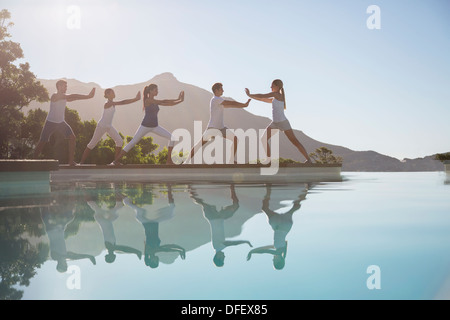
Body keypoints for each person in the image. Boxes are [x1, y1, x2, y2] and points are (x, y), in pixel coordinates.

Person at [111, 84, 184, 165]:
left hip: (155, 126)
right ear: (150, 91)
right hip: (145, 126)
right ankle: (115, 161)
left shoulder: (155, 101)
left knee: (172, 138)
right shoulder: (148, 100)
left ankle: (169, 161)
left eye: (157, 90)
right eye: (155, 90)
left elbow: (168, 104)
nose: (157, 91)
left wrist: (179, 100)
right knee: (132, 143)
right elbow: (163, 101)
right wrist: (178, 99)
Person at [245, 79, 312, 163]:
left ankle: (308, 159)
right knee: (263, 139)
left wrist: (249, 94)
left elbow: (262, 95)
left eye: (272, 85)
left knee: (294, 141)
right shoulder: (275, 98)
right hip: (275, 123)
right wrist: (250, 96)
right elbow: (262, 99)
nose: (270, 87)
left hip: (283, 122)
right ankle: (268, 160)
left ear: (277, 87)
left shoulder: (276, 95)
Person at [33, 80, 95, 166]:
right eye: (64, 86)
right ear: (59, 86)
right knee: (42, 141)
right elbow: (72, 95)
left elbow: (73, 98)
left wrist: (87, 97)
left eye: (66, 86)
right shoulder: (55, 95)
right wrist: (88, 96)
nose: (66, 88)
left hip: (61, 123)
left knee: (72, 138)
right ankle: (32, 161)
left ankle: (71, 161)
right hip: (50, 122)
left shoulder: (63, 97)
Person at [188, 82, 251, 164]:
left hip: (221, 128)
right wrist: (244, 104)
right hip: (213, 128)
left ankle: (231, 160)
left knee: (235, 139)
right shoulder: (216, 99)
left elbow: (231, 105)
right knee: (200, 144)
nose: (223, 91)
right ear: (216, 90)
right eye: (221, 89)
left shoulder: (219, 101)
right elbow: (230, 103)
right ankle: (186, 161)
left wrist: (244, 105)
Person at [79, 89, 141, 164]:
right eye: (112, 92)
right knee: (92, 144)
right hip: (101, 126)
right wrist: (135, 99)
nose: (114, 93)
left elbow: (122, 102)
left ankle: (115, 161)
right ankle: (81, 162)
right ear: (107, 94)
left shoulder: (112, 103)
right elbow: (122, 102)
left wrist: (135, 99)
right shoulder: (108, 103)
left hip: (109, 126)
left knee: (119, 141)